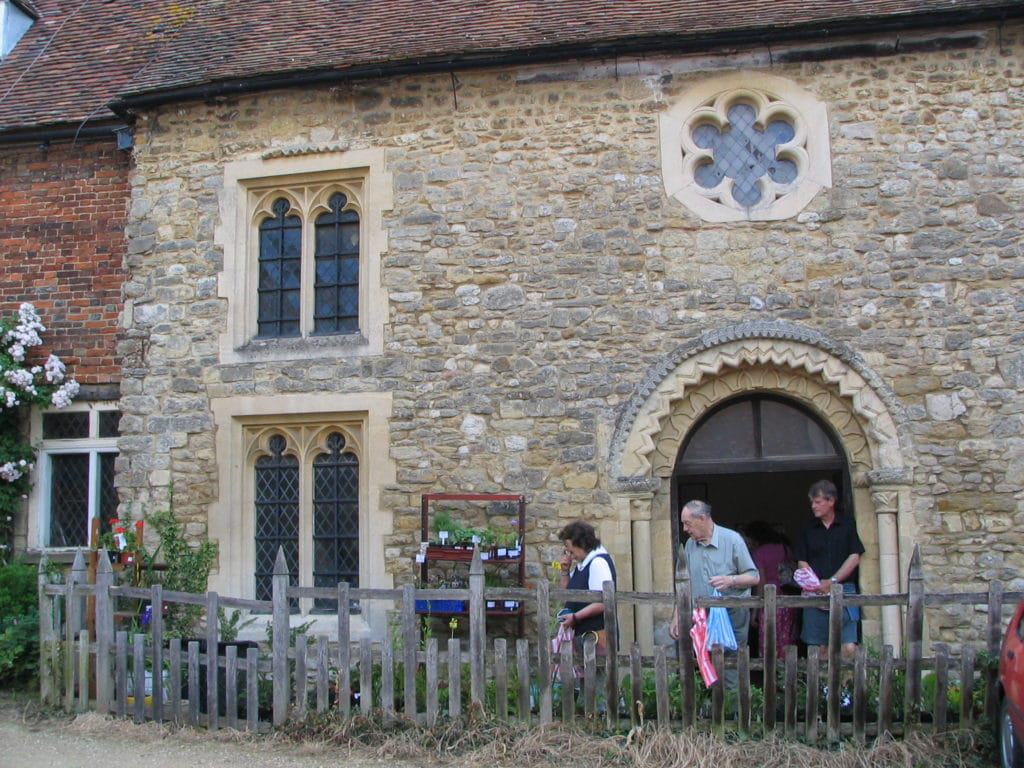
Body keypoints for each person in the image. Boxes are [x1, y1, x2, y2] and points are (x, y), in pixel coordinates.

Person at [669, 500, 759, 688]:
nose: (685, 528)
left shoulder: (732, 540)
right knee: (705, 666)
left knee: (732, 667)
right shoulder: (690, 546)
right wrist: (676, 616)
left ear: (702, 519)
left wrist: (731, 580)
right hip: (703, 617)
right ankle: (712, 713)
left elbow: (754, 576)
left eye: (688, 523)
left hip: (733, 615)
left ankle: (734, 713)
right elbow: (685, 585)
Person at [793, 479, 865, 658]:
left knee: (849, 647)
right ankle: (823, 686)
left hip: (844, 589)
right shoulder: (807, 529)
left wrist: (832, 581)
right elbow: (802, 560)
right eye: (812, 502)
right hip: (814, 592)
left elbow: (854, 556)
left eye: (817, 502)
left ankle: (848, 686)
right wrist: (815, 584)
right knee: (820, 649)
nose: (813, 506)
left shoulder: (847, 525)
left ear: (831, 501)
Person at [557, 520, 617, 653]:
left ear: (581, 543)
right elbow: (567, 593)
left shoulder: (598, 563)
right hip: (585, 637)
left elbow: (603, 602)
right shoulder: (582, 564)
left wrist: (575, 617)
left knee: (596, 673)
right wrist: (565, 571)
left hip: (596, 637)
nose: (568, 553)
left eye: (569, 548)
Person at [744, 520, 800, 658]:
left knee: (769, 640)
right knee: (787, 638)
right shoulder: (785, 548)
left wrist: (755, 612)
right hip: (788, 599)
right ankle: (788, 672)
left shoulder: (759, 553)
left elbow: (761, 582)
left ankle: (770, 673)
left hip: (770, 602)